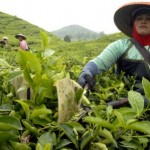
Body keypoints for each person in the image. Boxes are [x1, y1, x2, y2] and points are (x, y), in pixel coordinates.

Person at [78, 2, 150, 101]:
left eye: (148, 19)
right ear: (133, 24)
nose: (143, 21)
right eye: (139, 18)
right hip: (120, 101)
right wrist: (88, 71)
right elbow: (101, 61)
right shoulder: (121, 45)